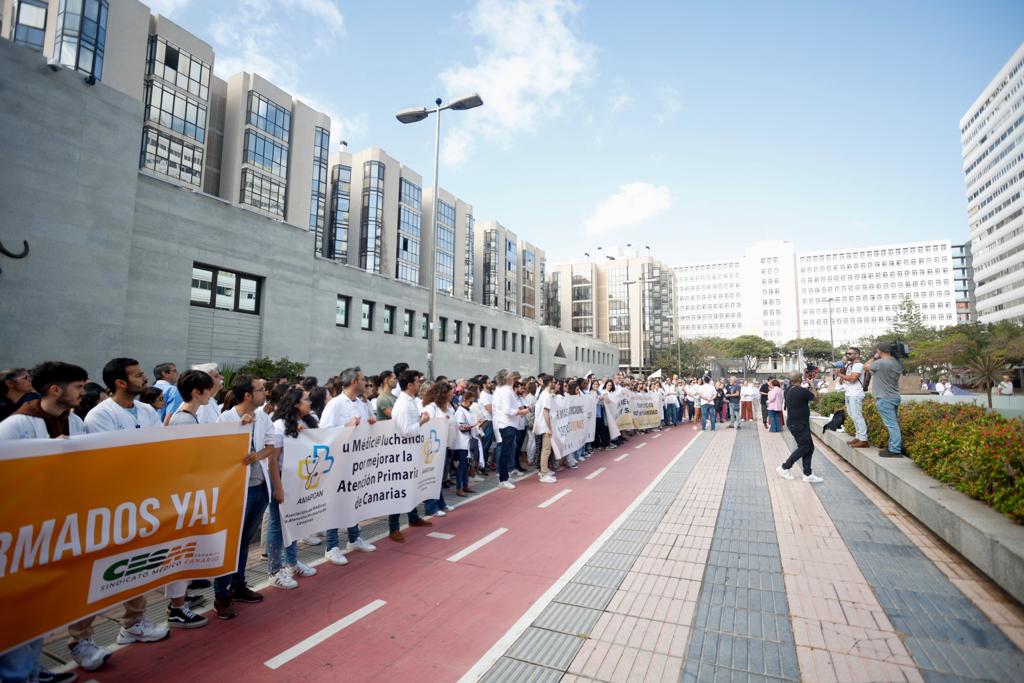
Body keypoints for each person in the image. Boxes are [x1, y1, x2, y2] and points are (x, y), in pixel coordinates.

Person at [74, 358, 169, 668]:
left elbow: (157, 450)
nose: (144, 378)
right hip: (108, 506)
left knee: (136, 567)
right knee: (94, 574)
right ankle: (81, 639)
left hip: (143, 503)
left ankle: (133, 624)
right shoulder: (99, 416)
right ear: (120, 382)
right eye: (138, 374)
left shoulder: (147, 411)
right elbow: (112, 460)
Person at [0, 361, 88, 683]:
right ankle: (15, 676)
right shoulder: (14, 427)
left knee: (40, 607)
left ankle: (31, 669)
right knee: (18, 608)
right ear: (56, 389)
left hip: (57, 527)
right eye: (78, 387)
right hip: (21, 532)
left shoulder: (75, 422)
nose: (83, 393)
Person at [214, 375, 278, 620]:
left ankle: (238, 584)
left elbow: (271, 446)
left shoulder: (263, 416)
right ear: (248, 395)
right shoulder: (226, 418)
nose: (265, 393)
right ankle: (221, 594)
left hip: (260, 486)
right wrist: (240, 429)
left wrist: (257, 456)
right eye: (261, 390)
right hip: (237, 490)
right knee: (230, 542)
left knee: (244, 541)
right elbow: (219, 452)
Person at [318, 367, 378, 561]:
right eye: (362, 380)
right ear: (354, 382)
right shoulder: (335, 404)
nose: (365, 384)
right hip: (338, 462)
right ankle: (331, 546)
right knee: (335, 503)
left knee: (354, 500)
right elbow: (324, 433)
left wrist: (370, 424)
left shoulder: (361, 403)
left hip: (357, 461)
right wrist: (346, 427)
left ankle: (354, 538)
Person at [266, 388, 319, 588]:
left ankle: (291, 562)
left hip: (300, 479)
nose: (310, 403)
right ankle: (274, 570)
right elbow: (272, 460)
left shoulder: (307, 422)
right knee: (277, 524)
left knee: (296, 521)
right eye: (306, 400)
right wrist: (278, 488)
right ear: (295, 403)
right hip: (281, 479)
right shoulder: (278, 427)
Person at [387, 369, 432, 542]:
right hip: (402, 453)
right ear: (410, 385)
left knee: (412, 486)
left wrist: (420, 419)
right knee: (399, 490)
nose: (420, 384)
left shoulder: (411, 401)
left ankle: (413, 517)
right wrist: (422, 421)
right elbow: (405, 430)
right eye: (417, 381)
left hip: (412, 451)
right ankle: (394, 528)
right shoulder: (404, 404)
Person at [776, 371, 823, 483]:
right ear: (800, 379)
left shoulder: (788, 389)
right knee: (804, 447)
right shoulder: (802, 391)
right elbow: (816, 398)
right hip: (799, 424)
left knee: (809, 447)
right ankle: (784, 467)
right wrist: (812, 384)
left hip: (796, 423)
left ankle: (808, 474)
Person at [865, 343, 904, 457]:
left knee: (892, 425)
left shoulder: (880, 363)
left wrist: (875, 357)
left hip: (884, 398)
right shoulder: (896, 363)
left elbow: (865, 366)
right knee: (894, 424)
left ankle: (895, 450)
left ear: (879, 351)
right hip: (894, 396)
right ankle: (893, 447)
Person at [493, 369, 528, 489]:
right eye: (510, 376)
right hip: (507, 424)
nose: (513, 377)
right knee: (505, 452)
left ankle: (505, 476)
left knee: (506, 452)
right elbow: (508, 410)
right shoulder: (506, 392)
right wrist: (521, 411)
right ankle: (503, 479)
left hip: (507, 424)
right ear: (506, 378)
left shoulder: (504, 390)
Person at [836, 347, 869, 448]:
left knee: (857, 416)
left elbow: (853, 379)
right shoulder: (850, 365)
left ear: (857, 355)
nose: (847, 355)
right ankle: (858, 437)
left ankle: (864, 439)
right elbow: (843, 380)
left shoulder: (858, 365)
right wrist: (841, 370)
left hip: (856, 394)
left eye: (850, 354)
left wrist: (839, 374)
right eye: (847, 353)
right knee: (852, 415)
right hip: (849, 393)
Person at [453, 390, 478, 496]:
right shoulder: (460, 411)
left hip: (469, 440)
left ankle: (465, 485)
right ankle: (459, 488)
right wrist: (473, 425)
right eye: (470, 402)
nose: (471, 404)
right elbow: (461, 427)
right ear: (464, 400)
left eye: (473, 402)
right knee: (462, 466)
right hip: (462, 442)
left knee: (467, 464)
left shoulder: (469, 410)